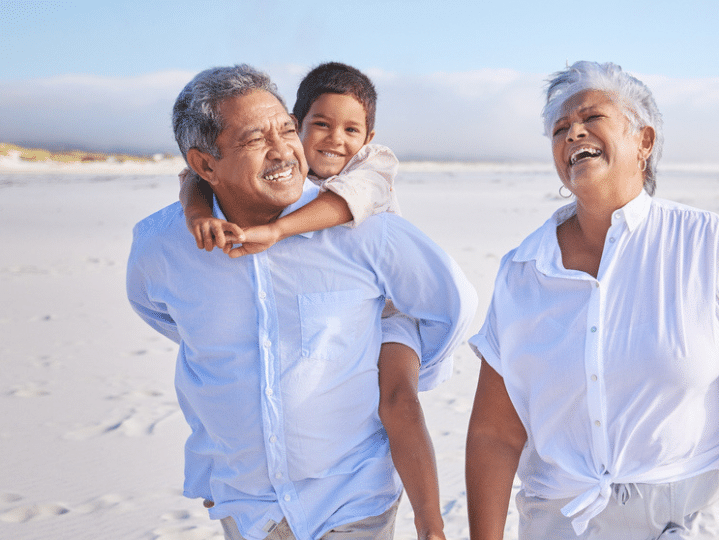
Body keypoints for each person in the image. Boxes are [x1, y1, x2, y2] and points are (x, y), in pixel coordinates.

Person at [126, 65, 476, 540]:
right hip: (247, 510)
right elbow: (165, 316)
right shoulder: (162, 246)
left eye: (286, 131)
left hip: (352, 499)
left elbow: (452, 307)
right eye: (256, 139)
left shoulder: (365, 225)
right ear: (206, 165)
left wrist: (398, 353)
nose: (283, 150)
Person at [465, 61, 719, 539]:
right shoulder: (522, 272)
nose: (573, 132)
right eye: (560, 129)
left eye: (591, 118)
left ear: (644, 141)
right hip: (562, 522)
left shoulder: (704, 242)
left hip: (688, 518)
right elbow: (494, 434)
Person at [179, 61, 401, 257]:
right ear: (297, 126)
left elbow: (347, 200)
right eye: (322, 125)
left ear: (367, 139)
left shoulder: (373, 164)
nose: (335, 139)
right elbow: (196, 177)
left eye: (351, 130)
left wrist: (277, 230)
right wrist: (197, 216)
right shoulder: (293, 163)